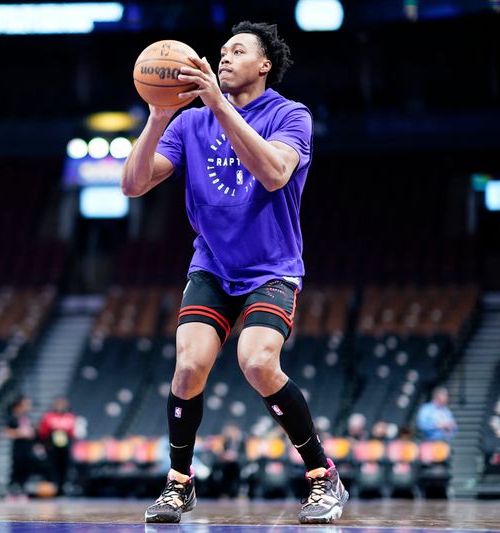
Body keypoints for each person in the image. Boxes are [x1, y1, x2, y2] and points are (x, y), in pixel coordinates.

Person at [122, 21, 347, 524]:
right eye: (221, 51)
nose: (223, 58)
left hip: (272, 266)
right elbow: (133, 185)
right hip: (214, 266)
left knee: (257, 361)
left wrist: (220, 107)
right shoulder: (188, 123)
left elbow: (273, 173)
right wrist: (158, 116)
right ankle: (178, 484)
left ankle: (321, 474)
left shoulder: (291, 115)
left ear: (264, 64)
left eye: (237, 51)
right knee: (187, 367)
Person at [38, 397, 77, 495]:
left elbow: (72, 433)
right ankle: (53, 487)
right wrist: (45, 444)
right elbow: (43, 432)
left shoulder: (70, 417)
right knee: (52, 467)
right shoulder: (49, 416)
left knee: (64, 467)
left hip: (65, 448)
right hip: (52, 447)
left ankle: (62, 487)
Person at [4, 396, 36, 499]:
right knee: (16, 467)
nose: (28, 406)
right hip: (18, 447)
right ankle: (12, 489)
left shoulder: (26, 418)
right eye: (26, 404)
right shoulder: (12, 417)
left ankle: (22, 488)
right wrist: (21, 433)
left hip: (27, 447)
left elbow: (31, 431)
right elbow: (7, 432)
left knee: (26, 468)